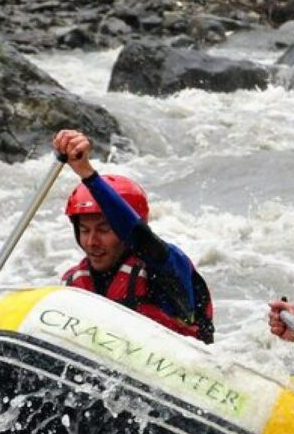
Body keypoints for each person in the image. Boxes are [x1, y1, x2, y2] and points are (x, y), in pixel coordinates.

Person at [53, 129, 214, 344]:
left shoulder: (166, 266)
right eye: (84, 230)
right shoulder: (75, 283)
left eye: (103, 230)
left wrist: (87, 174)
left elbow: (137, 235)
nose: (92, 242)